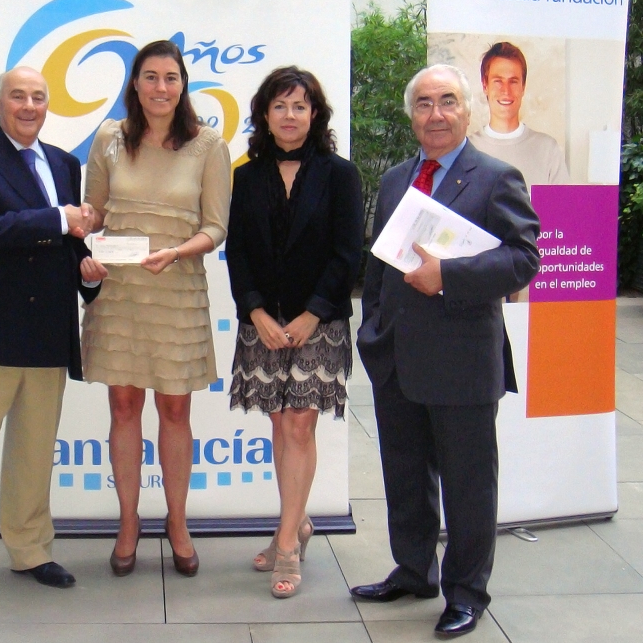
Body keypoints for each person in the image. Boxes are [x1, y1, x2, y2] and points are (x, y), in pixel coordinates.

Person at [352, 64, 540, 638]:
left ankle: (466, 593)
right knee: (405, 476)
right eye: (424, 103)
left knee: (468, 485)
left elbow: (523, 259)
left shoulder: (497, 177)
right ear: (412, 115)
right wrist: (372, 328)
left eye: (448, 101)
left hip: (462, 360)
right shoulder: (395, 180)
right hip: (396, 356)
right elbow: (379, 265)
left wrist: (449, 276)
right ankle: (414, 571)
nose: (436, 114)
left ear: (467, 110)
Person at [0, 66, 99, 610]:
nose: (29, 106)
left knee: (33, 455)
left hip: (47, 332)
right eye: (18, 96)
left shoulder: (65, 163)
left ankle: (30, 550)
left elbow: (69, 241)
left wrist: (87, 273)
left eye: (38, 97)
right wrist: (59, 219)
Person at [79, 40, 231, 578]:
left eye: (171, 77)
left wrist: (179, 252)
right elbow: (95, 214)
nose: (160, 87)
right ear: (135, 83)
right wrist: (80, 243)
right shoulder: (108, 138)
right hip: (120, 292)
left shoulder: (208, 144)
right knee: (123, 408)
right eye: (150, 76)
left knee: (175, 411)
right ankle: (128, 522)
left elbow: (216, 226)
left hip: (177, 292)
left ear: (183, 84)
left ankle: (178, 522)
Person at [224, 66, 363, 598]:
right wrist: (255, 311)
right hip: (263, 321)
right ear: (264, 114)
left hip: (318, 323)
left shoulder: (340, 175)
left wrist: (313, 313)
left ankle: (286, 543)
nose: (289, 115)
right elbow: (237, 252)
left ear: (315, 114)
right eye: (279, 106)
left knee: (301, 426)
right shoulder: (246, 176)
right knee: (281, 427)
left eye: (299, 106)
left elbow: (348, 252)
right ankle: (298, 523)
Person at [468, 41, 569, 191]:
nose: (506, 91)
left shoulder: (548, 150)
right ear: (485, 85)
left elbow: (564, 205)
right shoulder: (467, 150)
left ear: (523, 87)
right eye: (498, 81)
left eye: (513, 82)